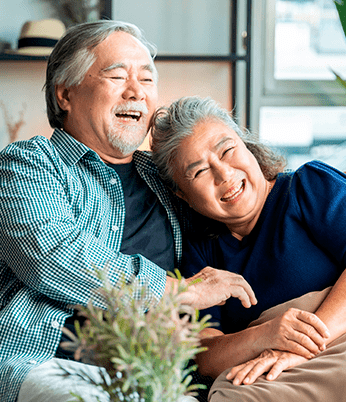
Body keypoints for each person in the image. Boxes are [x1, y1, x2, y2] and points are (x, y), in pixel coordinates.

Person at [0, 21, 259, 402]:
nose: (136, 91)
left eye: (147, 80)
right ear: (65, 94)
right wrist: (180, 292)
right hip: (51, 362)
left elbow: (240, 213)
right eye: (117, 75)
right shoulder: (29, 164)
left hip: (159, 374)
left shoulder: (165, 176)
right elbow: (51, 257)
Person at [150, 95, 346, 402]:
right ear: (182, 194)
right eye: (199, 171)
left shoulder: (308, 187)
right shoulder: (200, 256)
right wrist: (266, 335)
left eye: (227, 150)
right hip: (275, 377)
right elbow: (203, 356)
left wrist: (301, 344)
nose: (224, 175)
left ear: (247, 145)